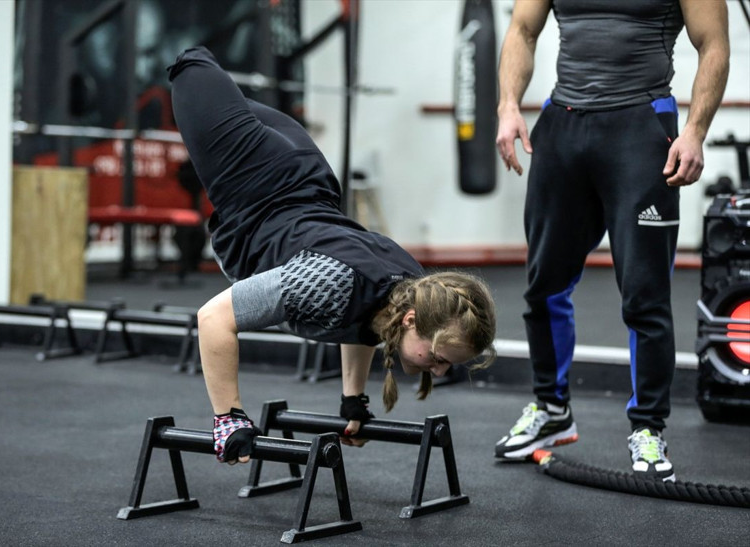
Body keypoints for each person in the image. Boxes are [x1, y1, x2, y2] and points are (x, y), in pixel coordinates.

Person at [167, 46, 497, 464]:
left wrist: (352, 400)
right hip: (250, 176)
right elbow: (214, 320)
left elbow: (362, 317)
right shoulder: (327, 283)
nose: (439, 371)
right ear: (411, 321)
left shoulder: (408, 291)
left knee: (215, 91)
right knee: (190, 65)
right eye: (438, 358)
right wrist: (229, 419)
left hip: (302, 172)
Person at [493, 0, 729, 481]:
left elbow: (714, 45)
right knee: (544, 285)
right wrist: (508, 105)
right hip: (563, 125)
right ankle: (551, 409)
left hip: (641, 127)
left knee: (644, 296)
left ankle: (648, 427)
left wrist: (695, 131)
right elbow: (522, 29)